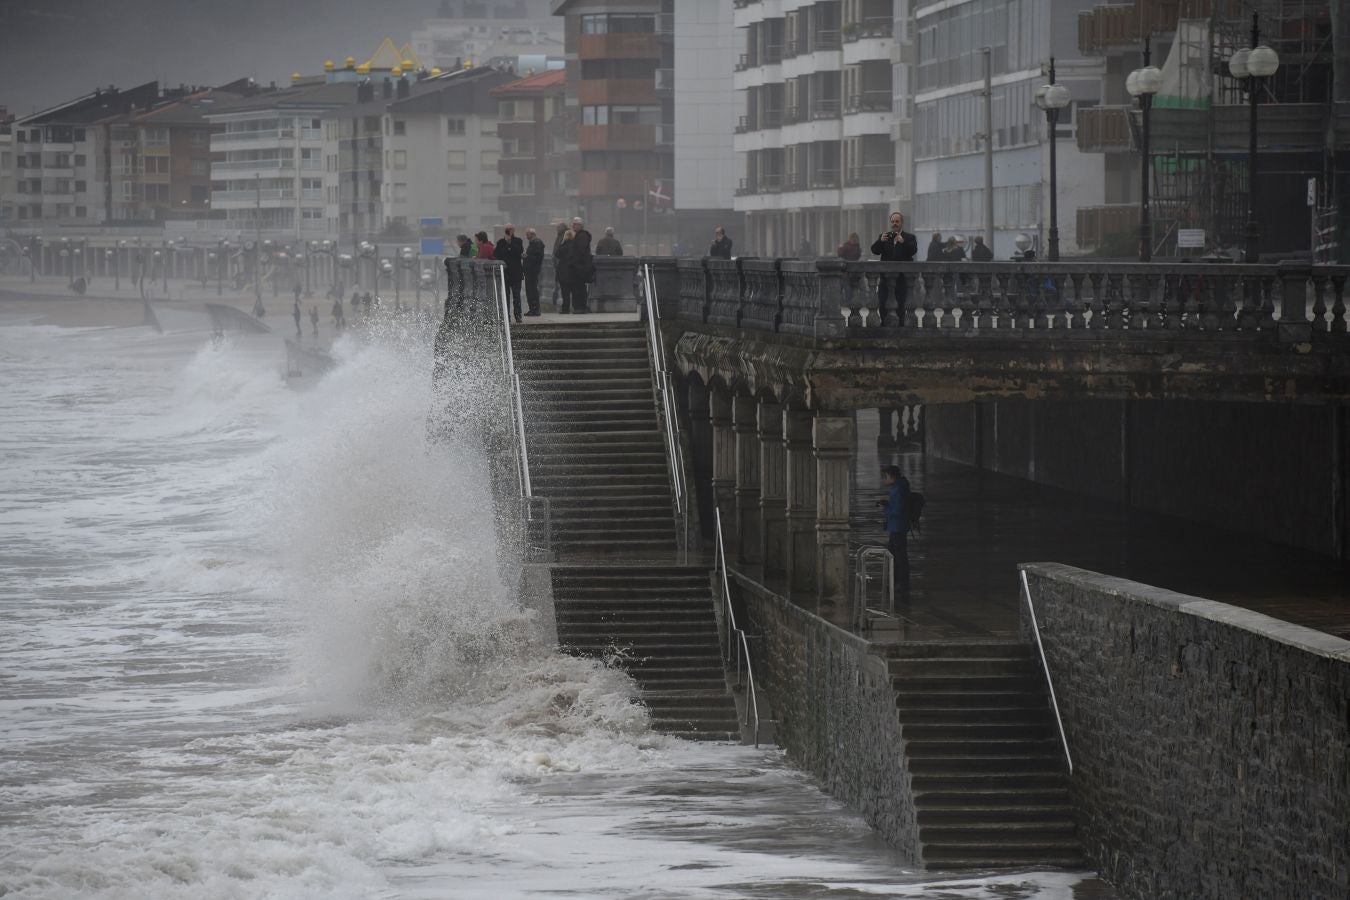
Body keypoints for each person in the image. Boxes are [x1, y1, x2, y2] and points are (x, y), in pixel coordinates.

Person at [870, 211, 919, 323]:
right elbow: (874, 250)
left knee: (901, 304)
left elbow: (913, 251)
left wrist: (903, 242)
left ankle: (900, 327)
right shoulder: (885, 236)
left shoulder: (909, 237)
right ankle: (884, 325)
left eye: (897, 221)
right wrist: (880, 241)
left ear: (902, 223)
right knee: (883, 302)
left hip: (902, 278)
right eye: (892, 221)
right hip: (885, 278)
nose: (894, 224)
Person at [879, 464, 911, 606]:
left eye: (885, 477)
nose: (884, 480)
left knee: (898, 556)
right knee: (896, 555)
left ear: (891, 477)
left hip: (897, 527)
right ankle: (897, 582)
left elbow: (896, 510)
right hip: (897, 526)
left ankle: (900, 583)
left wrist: (886, 508)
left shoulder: (898, 489)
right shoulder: (899, 487)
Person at [495, 223, 525, 323]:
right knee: (506, 296)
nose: (509, 231)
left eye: (511, 229)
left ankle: (518, 315)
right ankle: (506, 315)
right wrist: (506, 244)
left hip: (516, 272)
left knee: (516, 295)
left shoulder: (518, 241)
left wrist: (510, 243)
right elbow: (498, 254)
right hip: (505, 272)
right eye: (508, 229)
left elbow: (519, 251)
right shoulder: (500, 242)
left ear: (514, 230)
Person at [563, 217, 593, 313]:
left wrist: (573, 262)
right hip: (579, 267)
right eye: (573, 224)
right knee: (578, 288)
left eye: (575, 224)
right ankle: (579, 307)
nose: (573, 226)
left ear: (580, 225)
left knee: (579, 288)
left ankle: (580, 307)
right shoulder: (579, 235)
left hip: (580, 267)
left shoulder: (582, 236)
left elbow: (580, 252)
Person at [522, 227, 545, 317]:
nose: (526, 236)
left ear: (532, 234)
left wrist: (527, 256)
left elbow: (538, 257)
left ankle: (535, 309)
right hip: (530, 271)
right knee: (530, 290)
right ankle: (532, 309)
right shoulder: (533, 243)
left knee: (532, 290)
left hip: (532, 271)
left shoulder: (537, 243)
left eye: (527, 234)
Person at [837, 232, 862, 308]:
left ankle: (845, 303)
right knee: (846, 288)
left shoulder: (848, 246)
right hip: (848, 271)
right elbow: (857, 256)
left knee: (846, 288)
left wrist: (839, 248)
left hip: (847, 271)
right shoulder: (854, 247)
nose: (854, 240)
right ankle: (846, 303)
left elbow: (840, 254)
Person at [551, 222, 569, 310]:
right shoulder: (560, 236)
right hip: (559, 264)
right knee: (560, 286)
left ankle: (565, 306)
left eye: (558, 227)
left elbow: (560, 250)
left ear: (563, 227)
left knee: (563, 287)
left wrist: (556, 255)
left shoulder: (565, 236)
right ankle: (562, 305)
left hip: (562, 265)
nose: (557, 229)